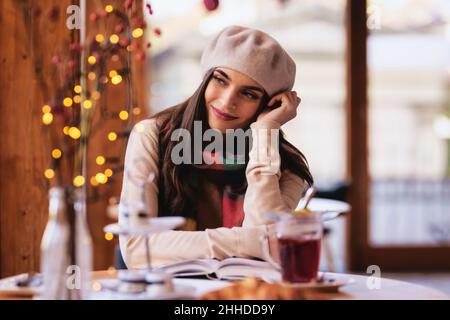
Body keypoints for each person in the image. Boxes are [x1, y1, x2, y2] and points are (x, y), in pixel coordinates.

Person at [119, 25, 313, 268]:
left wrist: (265, 132)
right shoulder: (152, 135)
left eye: (249, 94)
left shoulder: (286, 165)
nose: (227, 101)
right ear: (206, 79)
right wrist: (245, 243)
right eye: (221, 80)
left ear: (268, 105)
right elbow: (137, 250)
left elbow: (270, 247)